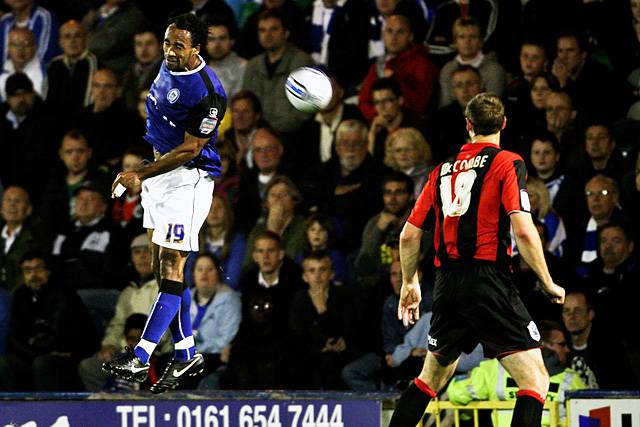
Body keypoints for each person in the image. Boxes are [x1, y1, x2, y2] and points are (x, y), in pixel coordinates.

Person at [388, 93, 565, 427]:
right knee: (536, 381)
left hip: (447, 284)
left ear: (468, 125)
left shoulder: (440, 171)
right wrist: (547, 281)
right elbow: (524, 232)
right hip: (488, 281)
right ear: (503, 124)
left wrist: (410, 282)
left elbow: (409, 235)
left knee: (430, 379)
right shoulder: (507, 163)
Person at [102, 13, 227, 394]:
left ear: (196, 49)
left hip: (187, 180)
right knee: (162, 267)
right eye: (167, 43)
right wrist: (149, 170)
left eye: (179, 46)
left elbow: (191, 148)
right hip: (159, 172)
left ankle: (141, 357)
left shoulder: (209, 94)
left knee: (173, 263)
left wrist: (141, 173)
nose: (170, 52)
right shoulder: (168, 64)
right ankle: (187, 354)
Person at [77, 234, 172, 392]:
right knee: (89, 367)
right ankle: (108, 408)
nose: (142, 256)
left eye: (147, 251)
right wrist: (109, 345)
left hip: (156, 354)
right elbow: (117, 324)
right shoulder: (127, 292)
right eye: (137, 252)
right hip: (124, 350)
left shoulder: (166, 287)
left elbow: (166, 329)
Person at [241, 9, 313, 134]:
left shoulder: (302, 62)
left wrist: (271, 132)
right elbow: (246, 103)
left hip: (294, 135)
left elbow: (304, 110)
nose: (267, 35)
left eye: (274, 29)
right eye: (262, 30)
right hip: (256, 135)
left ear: (286, 33)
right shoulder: (253, 65)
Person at [189, 253, 241, 389]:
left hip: (214, 359)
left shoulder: (230, 299)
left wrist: (199, 350)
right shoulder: (185, 298)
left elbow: (226, 339)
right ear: (193, 274)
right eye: (199, 269)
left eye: (210, 269)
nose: (204, 274)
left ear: (218, 273)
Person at [45, 20, 99, 125]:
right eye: (67, 36)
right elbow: (48, 100)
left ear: (86, 39)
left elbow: (89, 102)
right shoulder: (55, 64)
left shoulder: (93, 62)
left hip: (85, 124)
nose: (72, 41)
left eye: (77, 36)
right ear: (60, 42)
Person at [0, 186, 37, 294]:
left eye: (18, 200)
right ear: (1, 208)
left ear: (28, 209)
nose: (12, 205)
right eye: (8, 200)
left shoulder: (36, 239)